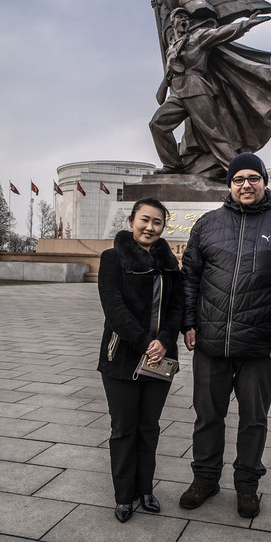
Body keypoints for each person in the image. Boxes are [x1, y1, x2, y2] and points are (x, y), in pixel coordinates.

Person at [179, 152, 271, 517]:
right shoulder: (207, 224)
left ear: (264, 182)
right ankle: (204, 479)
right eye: (239, 179)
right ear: (230, 185)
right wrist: (188, 323)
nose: (246, 185)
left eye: (253, 178)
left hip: (258, 345)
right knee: (207, 416)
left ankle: (247, 485)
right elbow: (189, 277)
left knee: (254, 419)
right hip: (211, 340)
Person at [97, 198, 184, 522]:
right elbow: (115, 309)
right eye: (144, 220)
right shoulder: (112, 258)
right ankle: (123, 496)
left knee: (149, 427)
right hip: (120, 358)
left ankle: (145, 489)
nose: (150, 227)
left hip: (160, 359)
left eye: (157, 222)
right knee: (124, 428)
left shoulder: (169, 264)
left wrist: (165, 341)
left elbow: (177, 308)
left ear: (164, 227)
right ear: (132, 220)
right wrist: (148, 342)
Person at [149, 8, 271, 178]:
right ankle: (172, 165)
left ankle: (237, 173)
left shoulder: (197, 37)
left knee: (214, 134)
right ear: (173, 21)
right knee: (157, 125)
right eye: (180, 17)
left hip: (196, 89)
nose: (184, 20)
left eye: (186, 17)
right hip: (177, 93)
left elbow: (220, 33)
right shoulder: (172, 47)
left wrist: (246, 24)